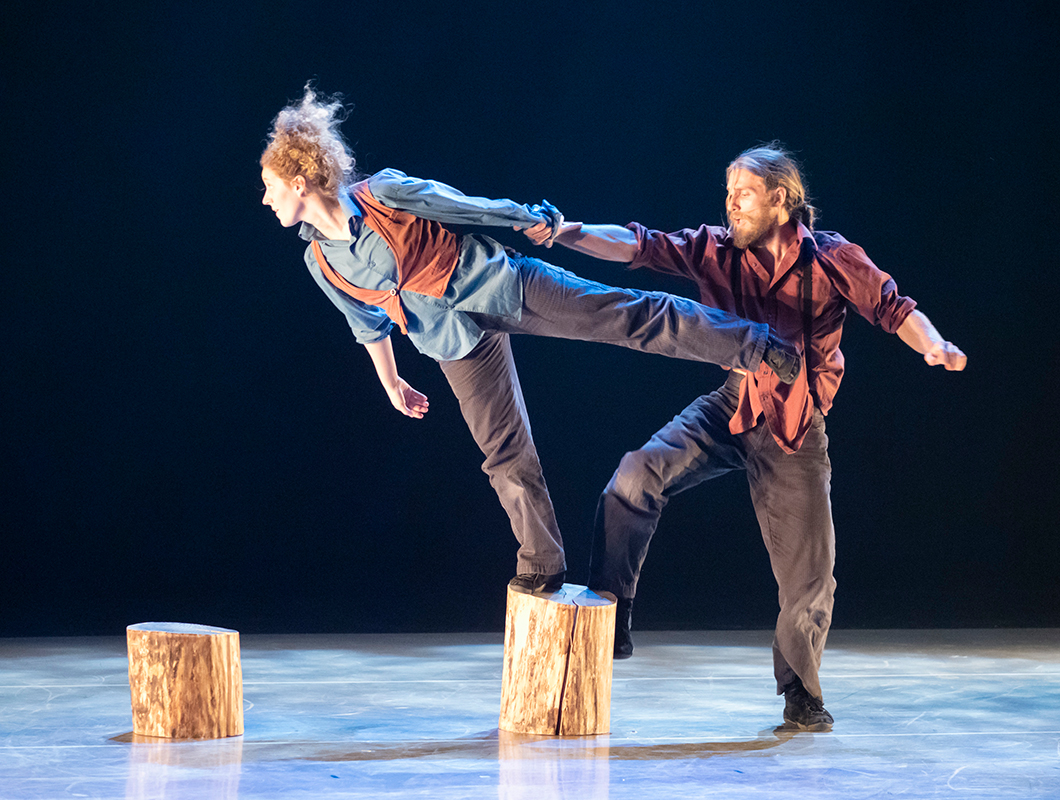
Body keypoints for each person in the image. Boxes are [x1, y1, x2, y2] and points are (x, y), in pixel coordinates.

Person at [258, 88, 800, 597]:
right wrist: (392, 382)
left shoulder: (381, 194)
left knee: (626, 315)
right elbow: (367, 324)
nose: (266, 199)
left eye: (270, 186)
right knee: (503, 452)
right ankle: (542, 560)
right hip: (453, 343)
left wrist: (528, 219)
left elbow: (463, 207)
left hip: (503, 285)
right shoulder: (319, 260)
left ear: (299, 182)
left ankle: (755, 345)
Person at [521, 143, 966, 730]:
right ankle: (613, 615)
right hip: (732, 404)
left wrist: (934, 344)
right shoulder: (716, 249)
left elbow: (893, 307)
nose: (731, 204)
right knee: (634, 476)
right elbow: (638, 245)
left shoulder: (833, 258)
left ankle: (800, 692)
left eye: (744, 193)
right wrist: (565, 232)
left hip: (795, 424)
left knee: (810, 575)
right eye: (728, 193)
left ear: (780, 199)